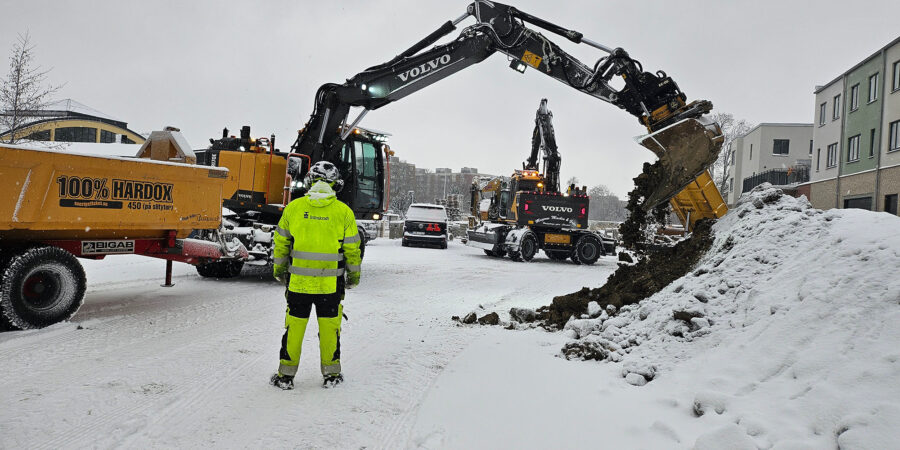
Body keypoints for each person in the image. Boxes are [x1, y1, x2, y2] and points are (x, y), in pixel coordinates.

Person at [269, 161, 362, 390]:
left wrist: (279, 270)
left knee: (294, 328)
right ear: (335, 184)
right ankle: (331, 375)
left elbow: (281, 244)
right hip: (329, 287)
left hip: (299, 285)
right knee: (330, 329)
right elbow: (352, 250)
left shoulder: (294, 208)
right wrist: (353, 276)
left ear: (310, 181)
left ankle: (285, 376)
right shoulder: (343, 212)